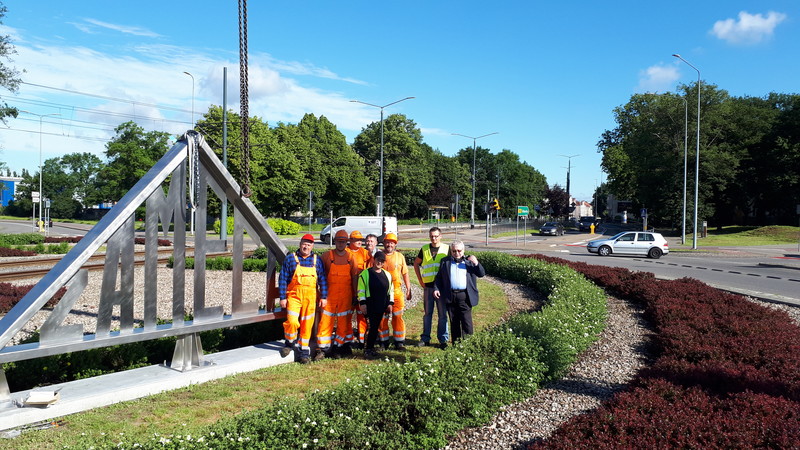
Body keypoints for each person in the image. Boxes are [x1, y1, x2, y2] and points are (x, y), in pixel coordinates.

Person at [278, 234, 328, 364]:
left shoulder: (317, 260)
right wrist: (282, 298)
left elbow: (322, 279)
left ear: (312, 246)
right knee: (292, 321)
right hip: (294, 296)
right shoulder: (291, 258)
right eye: (304, 244)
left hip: (311, 298)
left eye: (309, 244)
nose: (306, 247)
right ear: (300, 244)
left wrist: (323, 296)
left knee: (307, 325)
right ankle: (289, 343)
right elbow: (283, 278)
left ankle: (303, 353)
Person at [433, 240, 485, 342]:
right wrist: (436, 288)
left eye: (459, 251)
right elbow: (439, 277)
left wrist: (476, 263)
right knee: (454, 322)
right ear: (451, 251)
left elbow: (481, 274)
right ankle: (456, 344)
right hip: (450, 295)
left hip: (465, 296)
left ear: (463, 250)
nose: (456, 253)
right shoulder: (445, 261)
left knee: (467, 322)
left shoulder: (469, 261)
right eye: (454, 251)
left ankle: (467, 344)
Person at [315, 230, 356, 360]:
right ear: (335, 241)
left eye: (343, 241)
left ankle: (339, 347)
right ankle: (323, 349)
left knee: (344, 322)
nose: (340, 244)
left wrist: (355, 295)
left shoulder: (351, 258)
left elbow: (354, 277)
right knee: (325, 321)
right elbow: (318, 274)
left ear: (346, 242)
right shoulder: (327, 256)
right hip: (329, 296)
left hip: (346, 295)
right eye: (338, 241)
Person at [413, 226, 449, 349]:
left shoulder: (447, 249)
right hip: (428, 287)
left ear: (441, 236)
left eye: (436, 236)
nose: (434, 238)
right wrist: (420, 280)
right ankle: (425, 338)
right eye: (431, 236)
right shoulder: (424, 249)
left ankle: (443, 340)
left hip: (441, 288)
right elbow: (416, 263)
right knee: (428, 314)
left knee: (442, 315)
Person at [378, 232, 412, 350]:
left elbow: (405, 273)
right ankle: (383, 341)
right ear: (384, 243)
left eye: (392, 243)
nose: (389, 245)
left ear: (395, 244)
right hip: (382, 293)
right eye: (387, 242)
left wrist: (408, 288)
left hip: (397, 292)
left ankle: (399, 341)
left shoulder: (400, 256)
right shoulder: (379, 256)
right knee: (383, 318)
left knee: (398, 316)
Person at [357, 251, 393, 358]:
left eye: (382, 261)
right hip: (370, 305)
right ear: (374, 259)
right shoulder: (365, 274)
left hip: (382, 305)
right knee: (371, 328)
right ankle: (367, 349)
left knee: (375, 327)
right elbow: (361, 290)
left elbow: (391, 290)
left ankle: (371, 348)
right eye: (378, 260)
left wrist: (390, 303)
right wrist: (363, 303)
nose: (380, 262)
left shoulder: (387, 275)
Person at [347, 230, 372, 348]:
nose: (359, 242)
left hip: (361, 289)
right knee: (347, 315)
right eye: (357, 240)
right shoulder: (345, 252)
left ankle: (362, 340)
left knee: (362, 314)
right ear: (351, 240)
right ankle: (349, 339)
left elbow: (371, 268)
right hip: (348, 289)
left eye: (361, 240)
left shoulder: (365, 253)